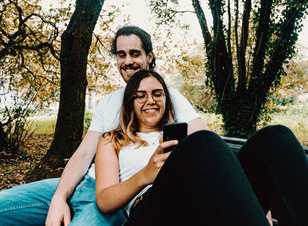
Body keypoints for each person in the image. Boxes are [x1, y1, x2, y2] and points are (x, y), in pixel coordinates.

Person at [0, 26, 209, 226]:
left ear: (149, 57)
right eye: (121, 54)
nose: (128, 61)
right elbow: (83, 155)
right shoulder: (107, 102)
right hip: (84, 182)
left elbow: (205, 143)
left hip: (112, 198)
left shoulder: (167, 98)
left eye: (135, 53)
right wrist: (59, 197)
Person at [95, 69, 308, 226]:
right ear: (130, 102)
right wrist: (144, 176)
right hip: (151, 214)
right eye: (141, 96)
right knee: (203, 142)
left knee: (275, 138)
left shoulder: (182, 135)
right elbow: (104, 200)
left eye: (158, 94)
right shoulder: (113, 139)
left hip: (201, 209)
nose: (151, 101)